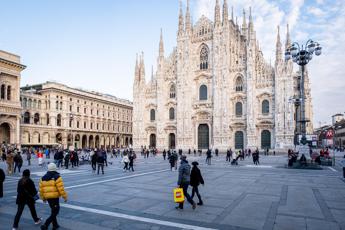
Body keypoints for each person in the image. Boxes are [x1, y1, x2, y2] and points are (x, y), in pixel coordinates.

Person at [39, 163, 67, 230]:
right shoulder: (57, 177)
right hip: (54, 197)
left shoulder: (43, 178)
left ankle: (55, 225)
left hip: (48, 198)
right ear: (55, 168)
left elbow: (41, 189)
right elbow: (61, 188)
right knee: (56, 212)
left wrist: (43, 198)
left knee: (53, 211)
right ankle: (45, 225)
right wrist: (64, 197)